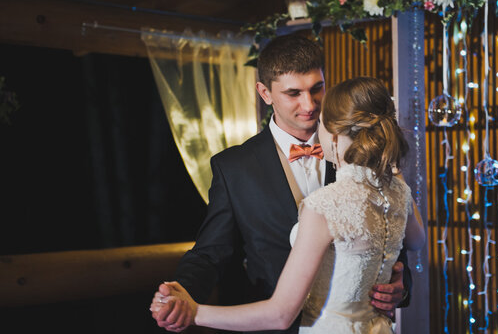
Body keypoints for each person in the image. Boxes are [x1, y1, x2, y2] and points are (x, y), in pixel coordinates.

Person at [151, 35, 416, 333]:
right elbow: (211, 252)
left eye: (317, 88)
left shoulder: (361, 152)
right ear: (265, 93)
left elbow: (391, 232)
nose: (310, 104)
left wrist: (400, 284)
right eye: (294, 93)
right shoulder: (234, 168)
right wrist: (181, 296)